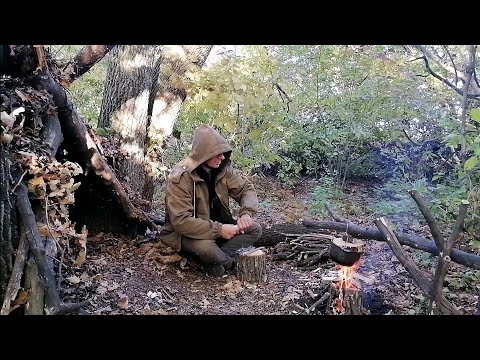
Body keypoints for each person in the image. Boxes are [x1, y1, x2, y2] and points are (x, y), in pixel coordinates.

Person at [159, 124, 262, 277]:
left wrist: (246, 213)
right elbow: (181, 222)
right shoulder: (181, 178)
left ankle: (217, 258)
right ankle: (229, 263)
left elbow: (246, 189)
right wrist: (219, 230)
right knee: (207, 248)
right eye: (217, 153)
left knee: (255, 229)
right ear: (204, 154)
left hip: (218, 227)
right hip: (188, 233)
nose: (222, 157)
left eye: (223, 153)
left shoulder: (223, 170)